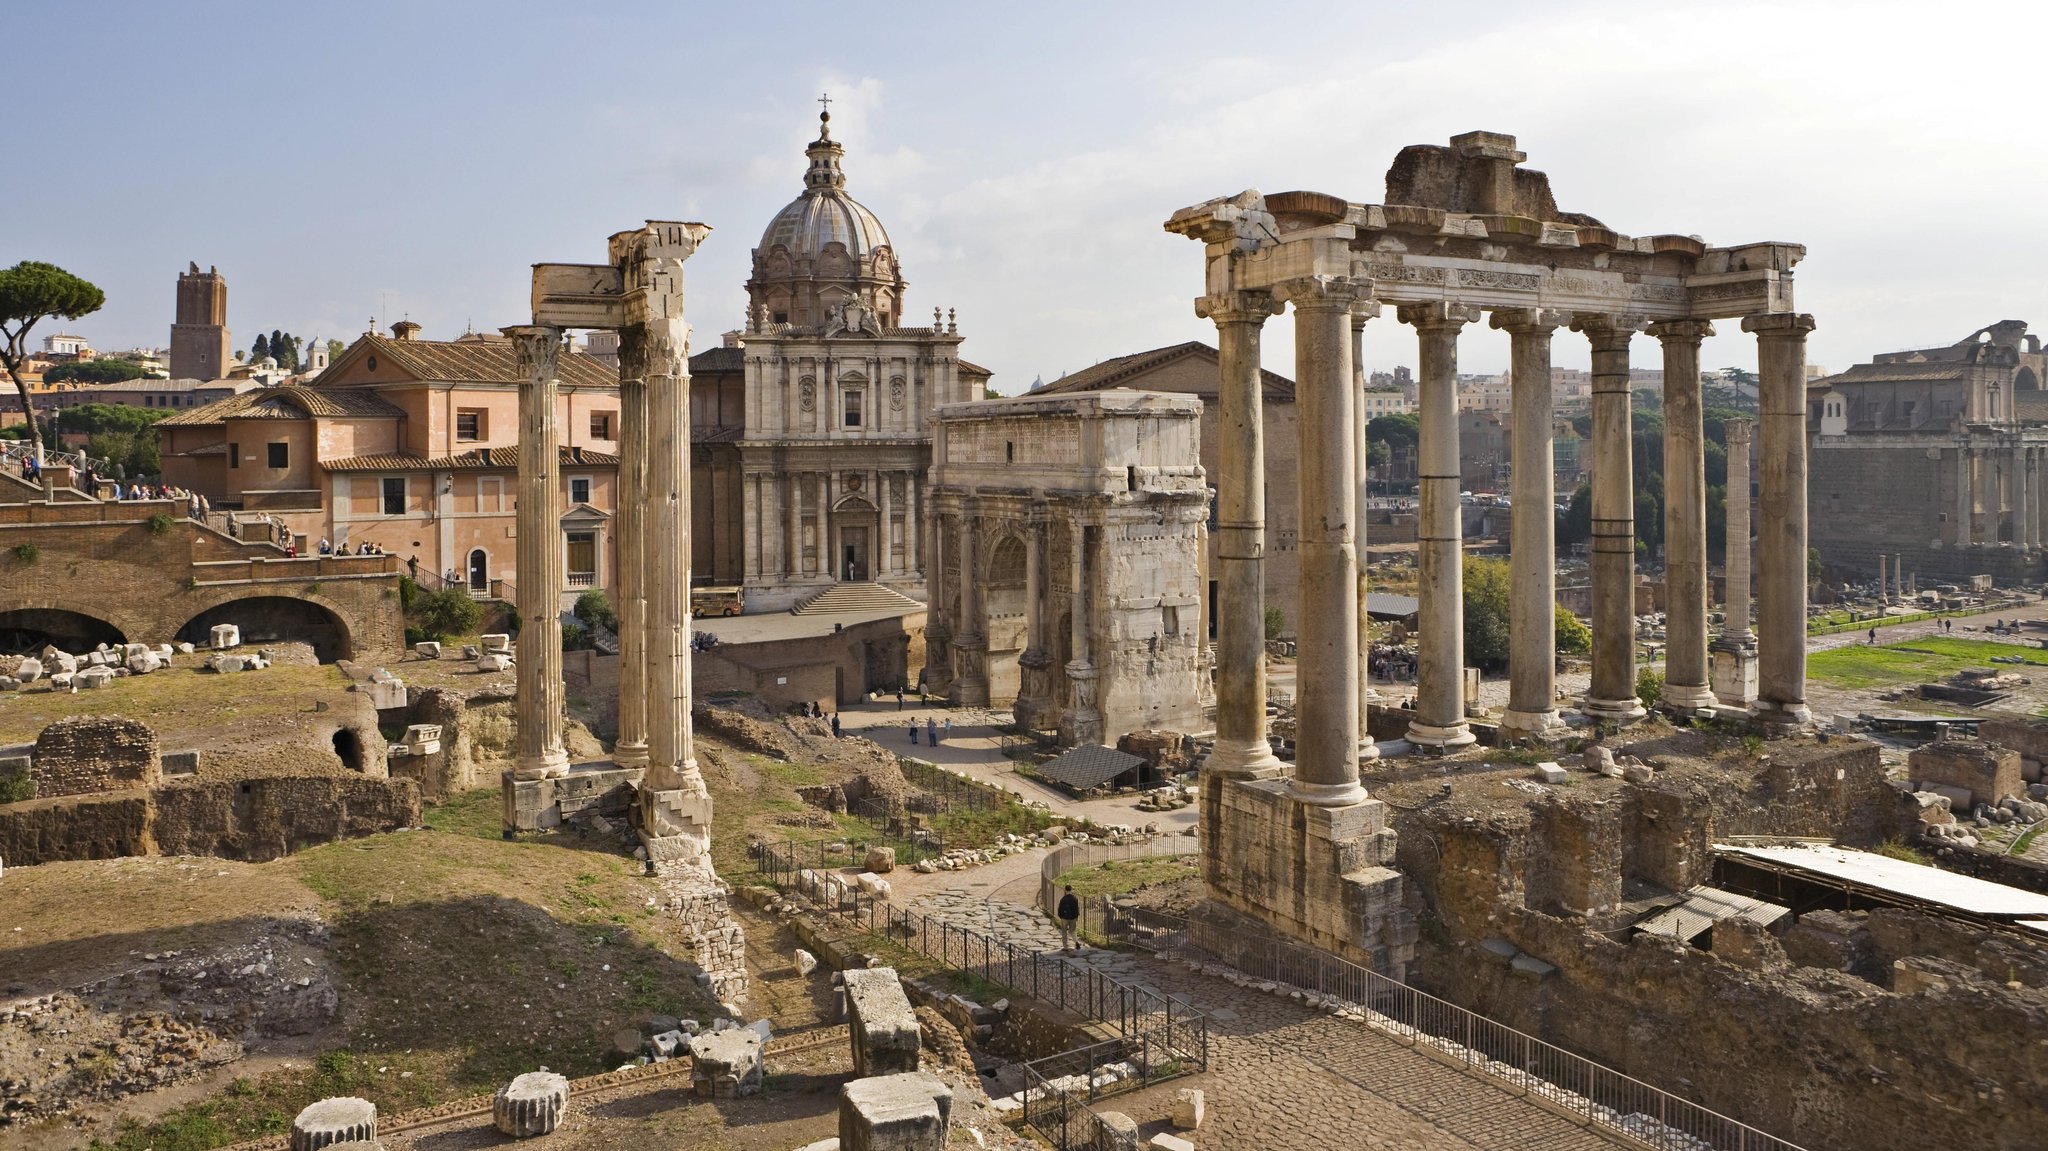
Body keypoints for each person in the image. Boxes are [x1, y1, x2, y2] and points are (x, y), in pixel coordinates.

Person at [1056, 884, 1081, 951]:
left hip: (1065, 918)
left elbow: (1060, 909)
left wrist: (1060, 916)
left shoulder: (1063, 899)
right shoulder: (1075, 898)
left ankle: (1065, 946)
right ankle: (1076, 942)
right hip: (1073, 918)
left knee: (1064, 932)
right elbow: (1077, 908)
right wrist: (1076, 916)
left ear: (1065, 890)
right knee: (1072, 931)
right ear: (1071, 890)